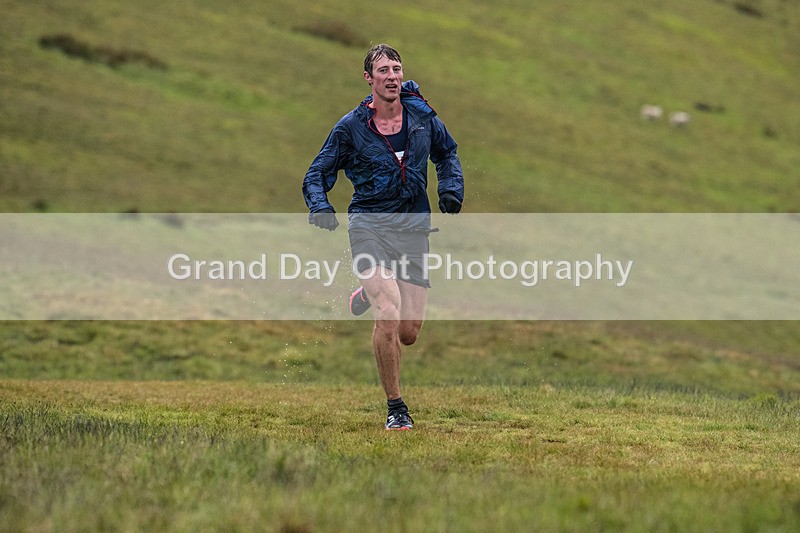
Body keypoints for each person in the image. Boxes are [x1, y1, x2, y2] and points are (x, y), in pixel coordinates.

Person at [302, 44, 464, 430]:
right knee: (388, 315)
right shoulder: (351, 128)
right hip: (369, 227)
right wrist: (320, 207)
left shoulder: (423, 117)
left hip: (413, 228)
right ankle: (396, 407)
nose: (391, 76)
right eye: (383, 70)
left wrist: (450, 189)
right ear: (369, 79)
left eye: (397, 68)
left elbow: (447, 153)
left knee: (408, 332)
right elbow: (316, 173)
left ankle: (364, 293)